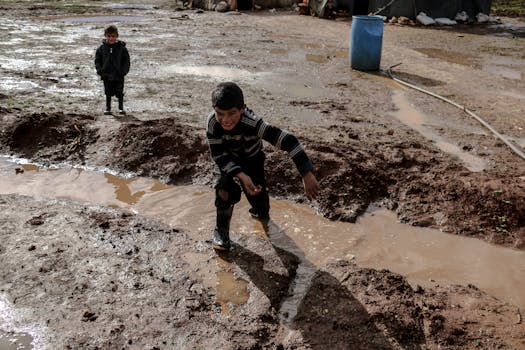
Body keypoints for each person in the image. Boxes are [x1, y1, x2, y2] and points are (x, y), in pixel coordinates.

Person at [206, 82, 320, 251]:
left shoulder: (253, 123)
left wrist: (306, 174)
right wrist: (242, 177)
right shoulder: (213, 124)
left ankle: (259, 211)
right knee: (223, 188)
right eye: (220, 113)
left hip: (252, 160)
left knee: (262, 209)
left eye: (232, 113)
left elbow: (289, 141)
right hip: (227, 160)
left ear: (243, 109)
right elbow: (218, 155)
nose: (226, 120)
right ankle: (221, 232)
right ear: (214, 109)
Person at [95, 25, 130, 115]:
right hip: (106, 75)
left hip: (118, 74)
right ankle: (108, 108)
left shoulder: (122, 49)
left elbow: (126, 61)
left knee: (119, 91)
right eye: (109, 36)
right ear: (105, 35)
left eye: (113, 36)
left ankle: (121, 108)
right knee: (108, 91)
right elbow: (97, 60)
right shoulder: (101, 49)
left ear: (117, 36)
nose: (111, 38)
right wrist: (100, 71)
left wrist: (123, 71)